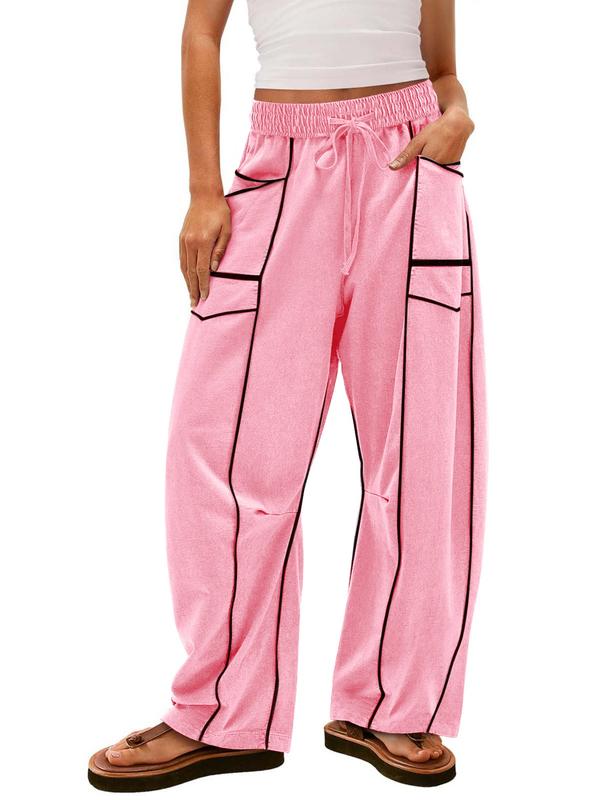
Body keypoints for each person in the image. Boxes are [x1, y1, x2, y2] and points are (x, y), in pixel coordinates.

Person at [88, 0, 487, 790]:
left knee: (422, 450)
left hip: (409, 171)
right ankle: (222, 710)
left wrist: (459, 113)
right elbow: (201, 31)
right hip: (277, 166)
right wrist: (205, 189)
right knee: (218, 447)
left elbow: (442, 68)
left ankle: (394, 704)